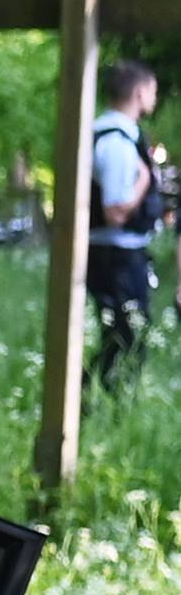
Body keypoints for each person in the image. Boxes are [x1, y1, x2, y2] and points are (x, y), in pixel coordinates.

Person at [89, 58, 166, 393]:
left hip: (114, 252)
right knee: (128, 338)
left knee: (123, 335)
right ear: (138, 93)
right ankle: (94, 397)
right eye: (152, 91)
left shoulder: (107, 134)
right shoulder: (117, 142)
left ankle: (99, 397)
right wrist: (143, 182)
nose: (155, 98)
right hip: (116, 256)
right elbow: (116, 211)